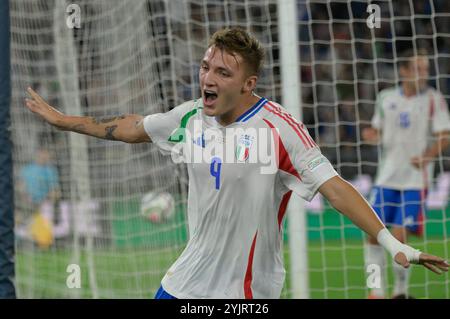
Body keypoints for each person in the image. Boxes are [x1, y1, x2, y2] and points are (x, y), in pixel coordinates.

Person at [25, 28, 448, 299]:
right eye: (206, 67)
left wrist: (393, 243)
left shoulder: (279, 129)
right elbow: (134, 126)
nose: (208, 78)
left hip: (244, 294)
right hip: (183, 282)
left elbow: (334, 187)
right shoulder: (190, 116)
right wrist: (67, 122)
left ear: (248, 84)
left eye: (223, 73)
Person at [362, 48, 450, 299]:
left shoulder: (433, 99)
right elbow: (377, 131)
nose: (424, 74)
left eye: (426, 69)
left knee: (399, 236)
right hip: (386, 178)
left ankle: (400, 293)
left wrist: (428, 155)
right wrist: (372, 136)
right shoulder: (385, 97)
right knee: (373, 234)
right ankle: (376, 292)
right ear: (404, 71)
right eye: (419, 69)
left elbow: (445, 135)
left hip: (414, 182)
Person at [16, 143, 61, 248]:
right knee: (18, 220)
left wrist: (48, 200)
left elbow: (55, 190)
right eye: (42, 153)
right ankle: (18, 243)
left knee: (44, 225)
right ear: (37, 154)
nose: (44, 156)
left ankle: (43, 244)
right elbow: (19, 186)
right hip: (27, 203)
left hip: (44, 204)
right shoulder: (27, 169)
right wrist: (25, 196)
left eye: (47, 153)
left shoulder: (51, 171)